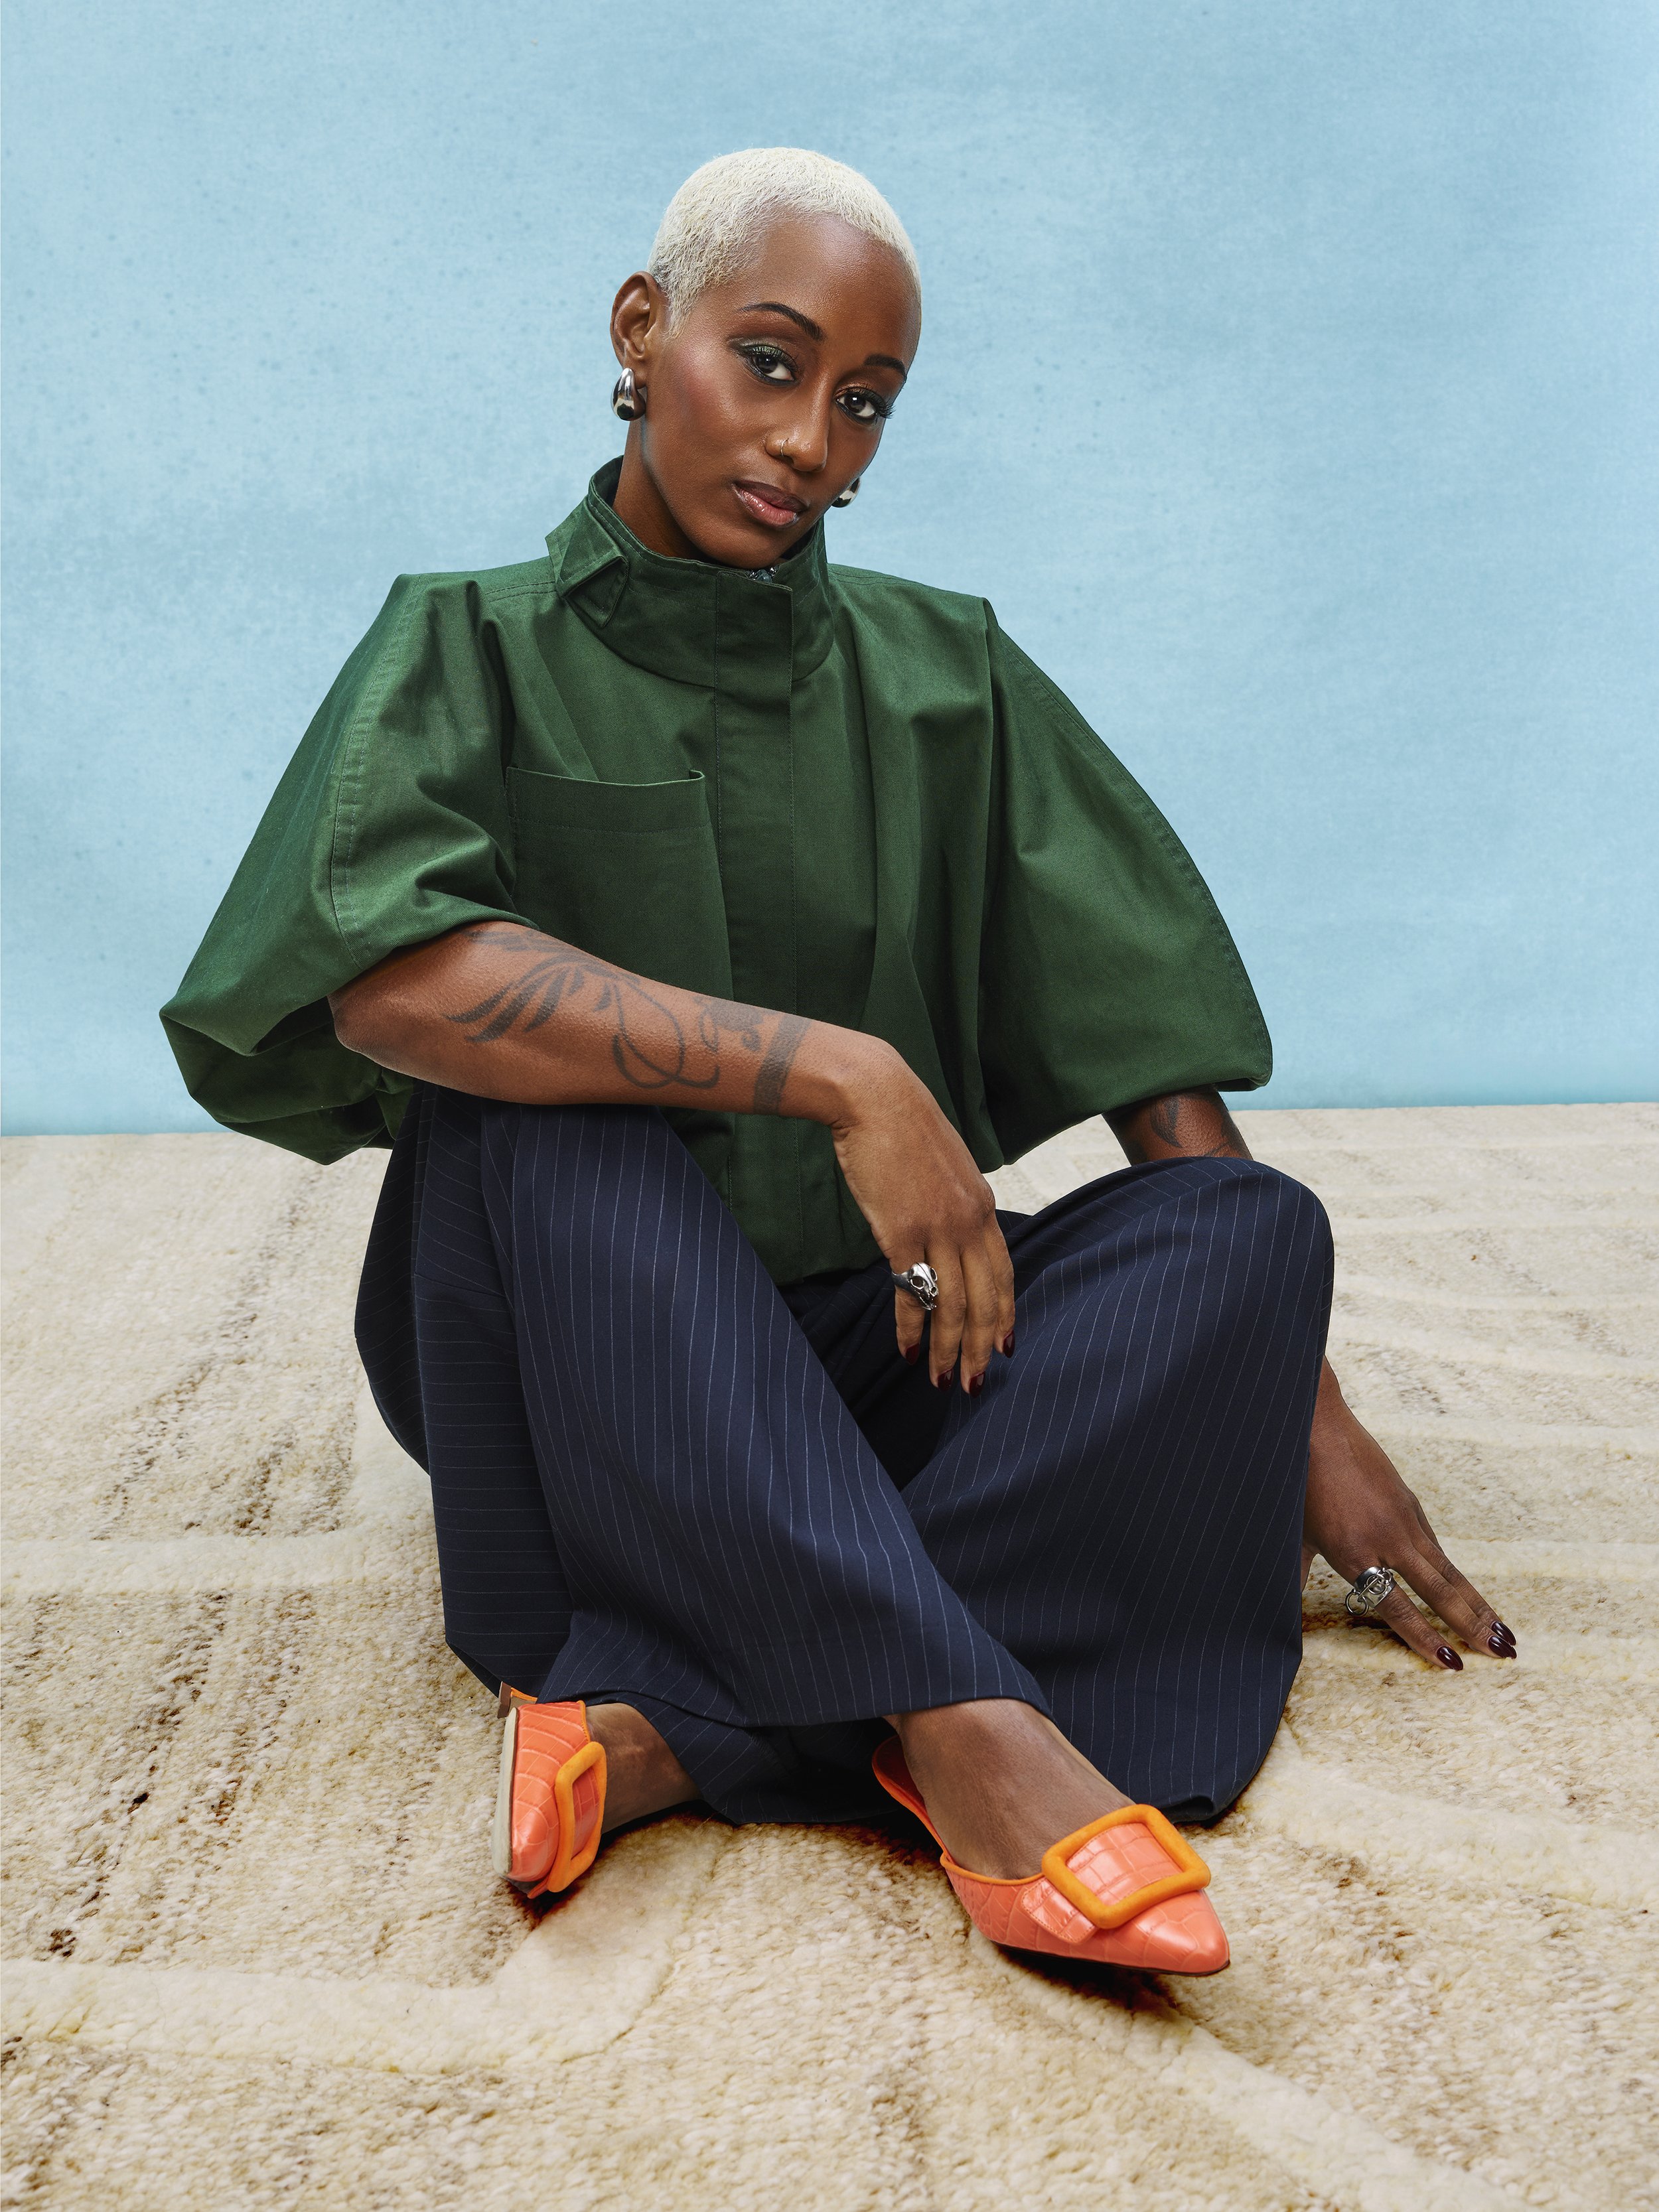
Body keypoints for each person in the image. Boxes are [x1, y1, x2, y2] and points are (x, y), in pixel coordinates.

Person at [163, 149, 1516, 1975]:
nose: (811, 440)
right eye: (771, 362)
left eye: (865, 401)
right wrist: (837, 1074)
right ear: (641, 330)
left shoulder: (943, 670)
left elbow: (1152, 1046)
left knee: (1247, 1233)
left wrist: (1296, 1410)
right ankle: (965, 1723)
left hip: (865, 1360)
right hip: (565, 1411)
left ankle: (680, 1729)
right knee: (540, 1097)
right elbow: (391, 983)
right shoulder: (461, 638)